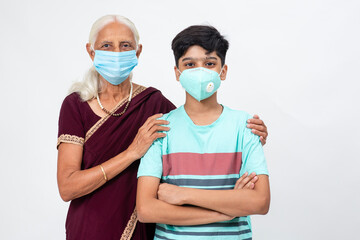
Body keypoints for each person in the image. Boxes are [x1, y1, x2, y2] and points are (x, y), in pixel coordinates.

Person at [57, 15, 268, 240]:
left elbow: (195, 117)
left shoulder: (153, 104)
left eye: (125, 45)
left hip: (139, 229)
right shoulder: (76, 106)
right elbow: (67, 187)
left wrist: (252, 135)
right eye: (106, 46)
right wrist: (131, 153)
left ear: (137, 52)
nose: (117, 53)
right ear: (92, 52)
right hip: (90, 226)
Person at [137, 25, 270, 240]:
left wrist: (182, 195)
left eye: (209, 63)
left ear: (223, 71)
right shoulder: (161, 128)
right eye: (190, 64)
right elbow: (146, 210)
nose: (200, 70)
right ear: (177, 73)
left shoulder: (245, 126)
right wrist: (226, 210)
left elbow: (260, 202)